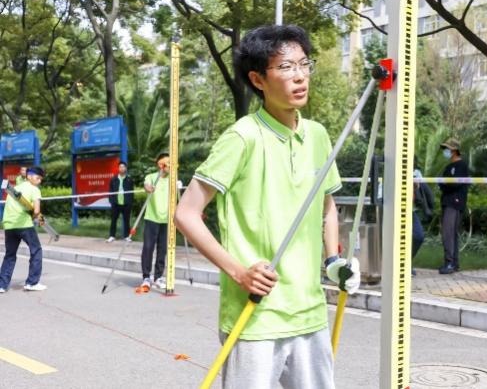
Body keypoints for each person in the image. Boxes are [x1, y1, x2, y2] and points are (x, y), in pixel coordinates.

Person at [175, 24, 359, 389]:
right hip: (255, 315)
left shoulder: (318, 136)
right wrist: (239, 272)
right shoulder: (242, 137)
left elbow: (326, 208)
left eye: (304, 64)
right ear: (258, 79)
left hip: (310, 313)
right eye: (286, 67)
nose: (300, 76)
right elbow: (186, 213)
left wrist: (333, 261)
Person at [0, 166, 47, 293]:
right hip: (24, 225)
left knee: (10, 255)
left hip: (9, 225)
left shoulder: (15, 188)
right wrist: (38, 219)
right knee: (36, 250)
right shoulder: (34, 189)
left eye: (41, 179)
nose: (39, 181)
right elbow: (36, 211)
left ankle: (2, 285)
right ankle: (32, 283)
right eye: (38, 178)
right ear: (29, 176)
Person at [437, 138, 469, 274]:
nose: (445, 151)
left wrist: (445, 184)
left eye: (447, 148)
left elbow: (454, 184)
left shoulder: (461, 166)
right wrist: (444, 184)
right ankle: (453, 263)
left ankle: (450, 262)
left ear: (454, 150)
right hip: (447, 202)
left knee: (448, 233)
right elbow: (443, 183)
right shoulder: (449, 167)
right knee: (450, 233)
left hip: (454, 203)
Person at [139, 153, 169, 291]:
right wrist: (148, 188)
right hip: (152, 218)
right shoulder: (151, 177)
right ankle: (146, 277)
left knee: (162, 249)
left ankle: (158, 277)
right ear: (160, 164)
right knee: (148, 248)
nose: (170, 166)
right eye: (167, 163)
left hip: (166, 219)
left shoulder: (172, 179)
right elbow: (146, 185)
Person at [106, 161, 134, 243]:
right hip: (116, 203)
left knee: (126, 220)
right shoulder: (113, 179)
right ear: (118, 168)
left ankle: (126, 236)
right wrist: (111, 201)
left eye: (123, 167)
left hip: (126, 204)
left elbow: (132, 192)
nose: (122, 168)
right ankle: (112, 236)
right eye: (120, 167)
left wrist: (130, 202)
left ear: (126, 168)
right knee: (113, 220)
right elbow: (110, 191)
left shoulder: (129, 180)